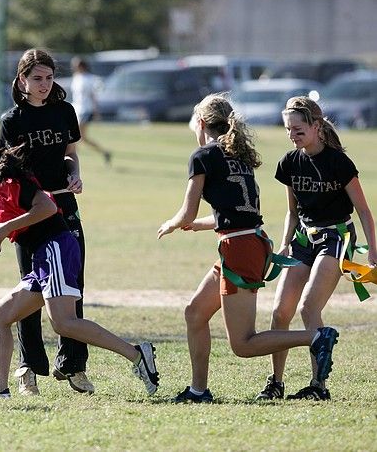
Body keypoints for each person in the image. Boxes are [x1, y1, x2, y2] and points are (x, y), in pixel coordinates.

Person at [157, 93, 340, 403]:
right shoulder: (236, 154)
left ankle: (316, 337)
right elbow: (233, 212)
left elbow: (187, 212)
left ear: (201, 124)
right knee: (195, 313)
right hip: (245, 242)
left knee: (242, 344)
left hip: (240, 248)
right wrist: (199, 224)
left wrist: (174, 222)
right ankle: (198, 391)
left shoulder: (202, 155)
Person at [0, 138, 159, 399]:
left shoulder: (13, 185)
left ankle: (136, 355)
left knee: (64, 323)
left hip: (56, 246)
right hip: (41, 261)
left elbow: (48, 206)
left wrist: (6, 228)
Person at [255, 96, 377, 401]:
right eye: (288, 130)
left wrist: (373, 252)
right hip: (303, 240)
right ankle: (276, 383)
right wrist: (284, 244)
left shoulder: (339, 163)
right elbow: (293, 212)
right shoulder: (289, 162)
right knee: (280, 311)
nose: (292, 135)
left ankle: (318, 386)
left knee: (309, 307)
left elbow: (363, 211)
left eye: (298, 130)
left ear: (316, 126)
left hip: (336, 239)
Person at [0, 49, 92, 395]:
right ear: (22, 79)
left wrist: (75, 175)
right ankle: (28, 368)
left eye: (49, 78)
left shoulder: (64, 111)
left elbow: (70, 154)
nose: (44, 85)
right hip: (31, 210)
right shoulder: (12, 120)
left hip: (64, 205)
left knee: (73, 284)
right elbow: (12, 170)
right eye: (37, 78)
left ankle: (73, 364)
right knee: (31, 288)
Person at [70, 56, 111, 164]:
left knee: (77, 136)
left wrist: (96, 111)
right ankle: (104, 152)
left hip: (86, 110)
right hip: (77, 109)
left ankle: (72, 161)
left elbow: (93, 96)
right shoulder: (76, 78)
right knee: (81, 138)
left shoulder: (89, 79)